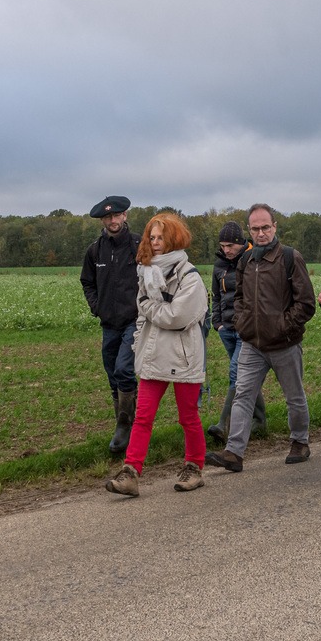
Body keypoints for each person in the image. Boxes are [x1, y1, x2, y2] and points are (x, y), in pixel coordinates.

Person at [206, 204, 317, 471]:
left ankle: (300, 441)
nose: (261, 233)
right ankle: (234, 452)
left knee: (294, 396)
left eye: (265, 227)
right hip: (252, 344)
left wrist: (282, 327)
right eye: (255, 229)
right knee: (243, 394)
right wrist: (244, 325)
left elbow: (306, 303)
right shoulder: (245, 261)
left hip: (284, 344)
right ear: (249, 231)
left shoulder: (290, 258)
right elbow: (241, 298)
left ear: (275, 226)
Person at [105, 213, 209, 497]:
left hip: (184, 356)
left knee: (188, 416)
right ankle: (130, 472)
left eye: (160, 237)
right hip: (153, 354)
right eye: (151, 237)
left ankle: (194, 467)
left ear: (173, 238)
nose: (154, 242)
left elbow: (176, 316)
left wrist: (148, 309)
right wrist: (140, 339)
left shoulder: (190, 277)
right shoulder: (147, 273)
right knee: (142, 417)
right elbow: (142, 316)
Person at [80, 195, 141, 457]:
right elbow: (87, 282)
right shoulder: (95, 250)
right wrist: (97, 307)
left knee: (124, 369)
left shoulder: (139, 245)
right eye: (107, 217)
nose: (112, 220)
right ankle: (124, 421)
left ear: (125, 215)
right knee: (111, 373)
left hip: (135, 320)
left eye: (116, 215)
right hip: (109, 323)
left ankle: (125, 427)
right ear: (102, 220)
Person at [205, 222, 267, 444]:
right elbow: (216, 295)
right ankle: (259, 420)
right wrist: (218, 323)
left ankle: (225, 425)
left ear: (241, 242)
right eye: (223, 246)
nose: (226, 250)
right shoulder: (219, 265)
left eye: (230, 245)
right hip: (226, 329)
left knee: (237, 373)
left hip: (246, 329)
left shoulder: (253, 260)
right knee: (245, 375)